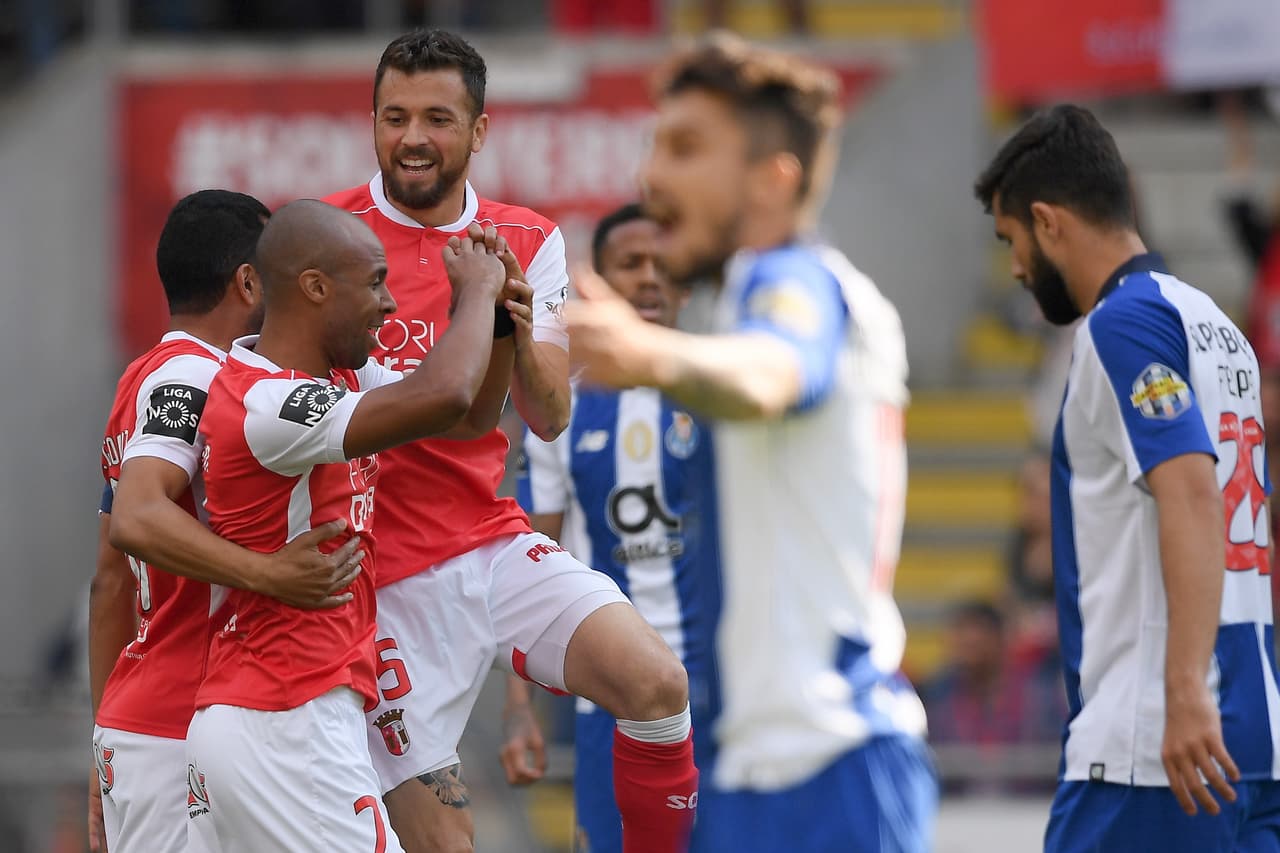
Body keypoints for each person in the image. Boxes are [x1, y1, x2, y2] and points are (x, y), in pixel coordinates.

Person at [324, 29, 697, 853]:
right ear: (374, 122)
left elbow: (552, 411)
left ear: (479, 131)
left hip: (489, 544)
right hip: (377, 587)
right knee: (448, 843)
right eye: (394, 116)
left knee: (657, 684)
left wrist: (518, 329)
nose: (412, 137)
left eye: (436, 117)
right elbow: (441, 407)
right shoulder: (330, 243)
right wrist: (475, 317)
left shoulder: (528, 239)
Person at [566, 34, 936, 853]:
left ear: (775, 178)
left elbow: (778, 370)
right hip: (752, 772)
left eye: (687, 147)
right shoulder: (742, 301)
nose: (651, 176)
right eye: (656, 145)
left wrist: (645, 354)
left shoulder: (798, 282)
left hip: (830, 772)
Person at [974, 103, 1280, 851]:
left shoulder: (1122, 323)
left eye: (1012, 238)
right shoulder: (1216, 323)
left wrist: (1181, 692)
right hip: (1251, 731)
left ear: (1049, 223)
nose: (1016, 266)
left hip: (1158, 747)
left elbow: (1191, 493)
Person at [178, 200, 514, 851]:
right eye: (375, 282)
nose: (389, 304)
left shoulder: (333, 374)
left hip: (266, 713)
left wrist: (497, 319)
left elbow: (466, 412)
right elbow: (441, 394)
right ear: (314, 287)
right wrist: (473, 290)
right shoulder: (269, 400)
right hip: (289, 715)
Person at [92, 190, 364, 853]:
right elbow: (139, 515)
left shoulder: (140, 378)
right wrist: (268, 573)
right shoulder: (192, 376)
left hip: (148, 716)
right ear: (248, 282)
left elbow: (109, 586)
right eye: (274, 272)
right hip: (179, 714)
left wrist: (103, 737)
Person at [501, 203, 720, 853]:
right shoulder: (558, 408)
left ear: (687, 280)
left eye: (663, 264)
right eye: (631, 264)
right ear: (603, 280)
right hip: (612, 702)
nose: (649, 278)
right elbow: (527, 559)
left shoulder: (728, 393)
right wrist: (519, 709)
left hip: (722, 697)